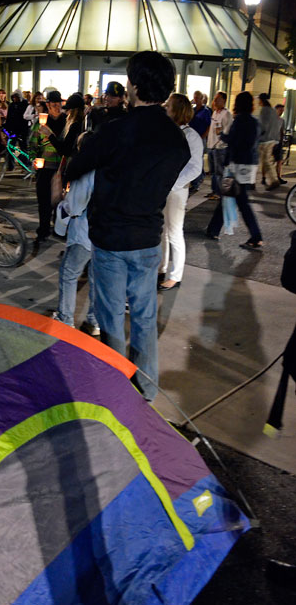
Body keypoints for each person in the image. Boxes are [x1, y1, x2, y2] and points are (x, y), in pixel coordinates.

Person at [65, 51, 190, 401]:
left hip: (110, 238)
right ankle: (147, 389)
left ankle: (118, 386)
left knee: (110, 316)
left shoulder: (115, 130)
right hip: (148, 238)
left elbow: (78, 165)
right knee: (145, 315)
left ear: (134, 86)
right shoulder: (176, 139)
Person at [53, 134, 99, 335]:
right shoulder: (110, 167)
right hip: (105, 233)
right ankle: (94, 321)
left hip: (84, 232)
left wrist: (61, 199)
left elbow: (75, 206)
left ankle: (65, 318)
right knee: (97, 278)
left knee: (69, 274)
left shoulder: (85, 171)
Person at [206, 91, 263, 249]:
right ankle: (213, 229)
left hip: (236, 165)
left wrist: (224, 136)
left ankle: (256, 236)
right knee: (229, 195)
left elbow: (233, 141)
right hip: (249, 165)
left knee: (238, 200)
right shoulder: (254, 122)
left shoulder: (239, 121)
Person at [158, 94, 203, 291]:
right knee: (163, 231)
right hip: (164, 187)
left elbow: (195, 168)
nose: (165, 108)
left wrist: (172, 184)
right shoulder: (168, 131)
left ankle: (176, 276)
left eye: (168, 106)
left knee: (174, 231)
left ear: (176, 110)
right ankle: (161, 268)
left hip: (176, 189)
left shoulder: (191, 136)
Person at [29, 90, 66, 243]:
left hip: (62, 167)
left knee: (61, 201)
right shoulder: (41, 122)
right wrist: (33, 159)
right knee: (43, 201)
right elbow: (32, 143)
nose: (57, 107)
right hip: (45, 167)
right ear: (48, 105)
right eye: (53, 104)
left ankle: (59, 228)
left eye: (59, 104)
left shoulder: (67, 120)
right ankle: (43, 229)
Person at [38, 92, 85, 160]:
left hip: (72, 162)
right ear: (48, 105)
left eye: (59, 104)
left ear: (73, 111)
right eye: (54, 105)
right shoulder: (42, 120)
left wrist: (50, 135)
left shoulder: (74, 125)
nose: (59, 108)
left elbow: (65, 150)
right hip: (49, 161)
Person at [206, 90, 232, 200]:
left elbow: (227, 131)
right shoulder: (215, 112)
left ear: (224, 100)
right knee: (212, 172)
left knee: (219, 172)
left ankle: (219, 193)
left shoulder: (226, 114)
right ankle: (214, 191)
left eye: (218, 99)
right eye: (214, 99)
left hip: (219, 148)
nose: (215, 101)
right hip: (211, 146)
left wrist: (220, 144)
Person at [189, 90, 211, 192]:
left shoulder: (206, 111)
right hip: (192, 138)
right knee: (193, 159)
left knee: (198, 159)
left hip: (200, 138)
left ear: (202, 99)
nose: (196, 99)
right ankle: (198, 177)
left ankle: (196, 182)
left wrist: (203, 137)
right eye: (195, 97)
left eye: (198, 98)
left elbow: (209, 126)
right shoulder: (192, 110)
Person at [258, 92, 281, 189]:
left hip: (266, 140)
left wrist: (258, 135)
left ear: (261, 101)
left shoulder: (264, 110)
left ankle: (274, 180)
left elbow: (263, 126)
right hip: (273, 139)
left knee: (266, 161)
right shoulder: (272, 110)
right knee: (266, 160)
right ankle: (273, 179)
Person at [273, 103, 287, 184]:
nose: (281, 112)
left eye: (282, 110)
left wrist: (282, 141)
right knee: (270, 161)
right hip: (271, 142)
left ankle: (278, 177)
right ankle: (265, 177)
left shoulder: (282, 120)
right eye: (280, 110)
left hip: (278, 142)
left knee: (279, 160)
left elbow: (281, 131)